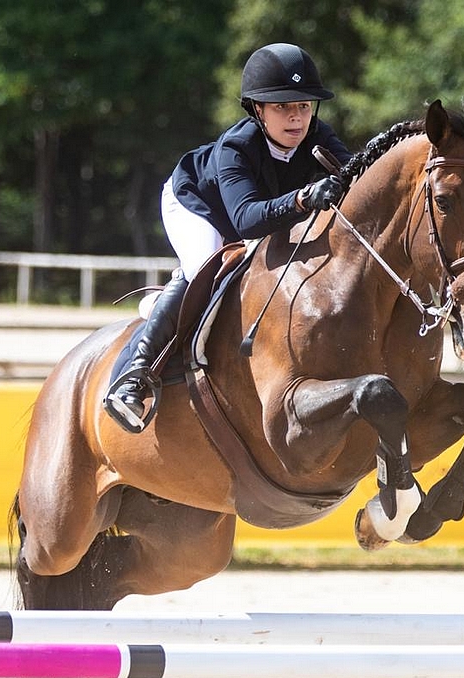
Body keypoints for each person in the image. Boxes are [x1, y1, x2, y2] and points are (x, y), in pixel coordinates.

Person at [104, 43, 352, 433]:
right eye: (283, 107)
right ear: (258, 109)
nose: (296, 117)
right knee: (206, 263)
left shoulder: (319, 136)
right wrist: (305, 197)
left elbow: (356, 175)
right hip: (197, 205)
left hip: (259, 213)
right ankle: (136, 373)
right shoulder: (237, 147)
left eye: (304, 106)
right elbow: (246, 219)